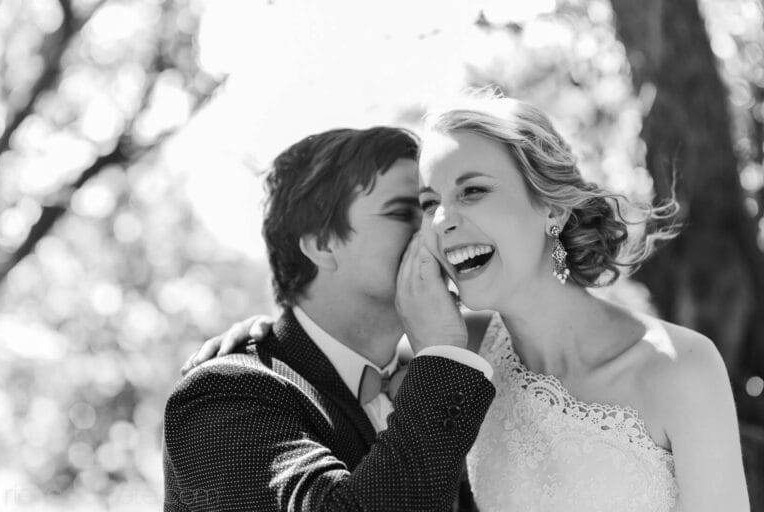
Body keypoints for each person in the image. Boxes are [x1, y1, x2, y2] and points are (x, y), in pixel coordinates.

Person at [189, 95, 751, 511]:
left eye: (473, 190)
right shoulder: (452, 360)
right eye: (423, 204)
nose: (437, 224)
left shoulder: (680, 367)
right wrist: (260, 335)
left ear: (551, 207)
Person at [162, 126, 496, 512]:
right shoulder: (222, 394)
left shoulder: (432, 383)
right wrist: (441, 357)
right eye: (404, 212)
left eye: (429, 208)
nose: (436, 227)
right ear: (322, 244)